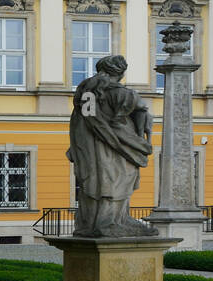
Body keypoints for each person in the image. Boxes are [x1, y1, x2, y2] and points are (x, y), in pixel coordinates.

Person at [67, 55, 158, 238]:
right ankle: (110, 221)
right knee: (119, 178)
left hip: (90, 146)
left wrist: (77, 145)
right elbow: (141, 112)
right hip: (118, 145)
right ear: (121, 72)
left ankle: (95, 221)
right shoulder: (123, 94)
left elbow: (80, 121)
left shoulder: (87, 92)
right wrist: (140, 138)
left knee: (97, 179)